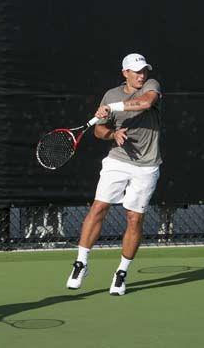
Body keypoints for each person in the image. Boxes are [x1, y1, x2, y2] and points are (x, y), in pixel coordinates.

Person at [66, 53, 162, 296]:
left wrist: (113, 108)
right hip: (117, 161)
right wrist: (113, 135)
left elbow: (146, 103)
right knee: (98, 208)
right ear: (125, 73)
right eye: (136, 71)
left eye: (144, 71)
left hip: (147, 165)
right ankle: (81, 263)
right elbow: (99, 130)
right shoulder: (111, 94)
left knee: (134, 218)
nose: (142, 75)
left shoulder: (151, 86)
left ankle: (121, 272)